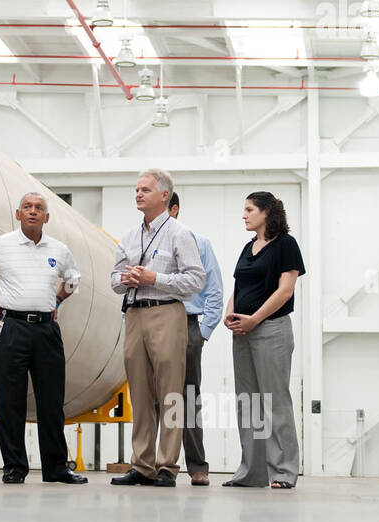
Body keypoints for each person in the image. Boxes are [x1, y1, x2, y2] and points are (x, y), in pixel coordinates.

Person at [0, 192, 87, 485]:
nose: (32, 212)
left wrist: (56, 301)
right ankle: (14, 467)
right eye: (27, 207)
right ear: (18, 215)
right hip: (10, 327)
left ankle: (56, 468)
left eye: (39, 208)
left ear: (47, 217)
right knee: (9, 400)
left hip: (46, 331)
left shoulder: (59, 249)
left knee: (51, 400)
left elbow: (73, 279)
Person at [110, 169, 205, 488]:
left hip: (167, 313)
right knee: (139, 390)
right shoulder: (127, 236)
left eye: (145, 190)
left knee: (170, 392)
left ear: (164, 195)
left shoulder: (180, 234)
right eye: (136, 189)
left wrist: (155, 279)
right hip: (134, 314)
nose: (138, 194)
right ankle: (142, 464)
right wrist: (126, 279)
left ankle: (167, 465)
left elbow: (195, 280)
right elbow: (113, 280)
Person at [223, 191, 305, 490]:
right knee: (249, 403)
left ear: (266, 212)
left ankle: (283, 471)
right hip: (242, 332)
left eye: (249, 209)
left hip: (271, 330)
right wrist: (230, 314)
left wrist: (254, 318)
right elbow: (238, 285)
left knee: (274, 402)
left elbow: (285, 291)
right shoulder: (248, 247)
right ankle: (253, 472)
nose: (244, 215)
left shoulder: (286, 245)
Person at [166, 191, 223, 487]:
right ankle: (159, 465)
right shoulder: (142, 244)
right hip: (153, 322)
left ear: (174, 209)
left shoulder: (199, 243)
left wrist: (203, 331)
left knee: (188, 398)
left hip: (187, 323)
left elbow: (213, 290)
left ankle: (198, 466)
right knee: (154, 398)